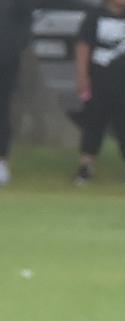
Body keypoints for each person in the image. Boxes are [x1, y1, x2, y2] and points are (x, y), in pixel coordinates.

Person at [74, 0, 125, 186]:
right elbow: (83, 46)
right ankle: (86, 164)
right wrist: (82, 75)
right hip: (98, 81)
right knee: (94, 123)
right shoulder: (94, 16)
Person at [0, 0, 33, 187]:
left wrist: (14, 47)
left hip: (5, 61)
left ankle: (1, 161)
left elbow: (25, 23)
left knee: (1, 110)